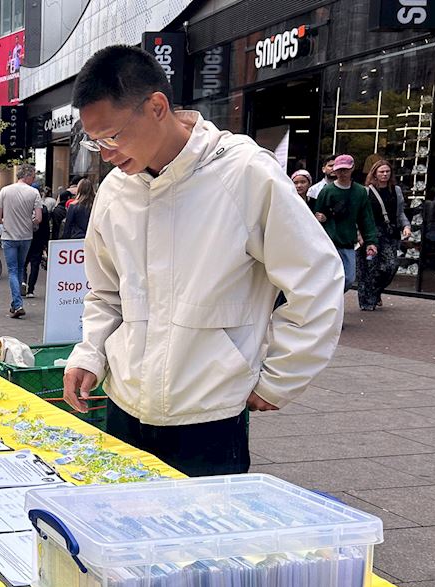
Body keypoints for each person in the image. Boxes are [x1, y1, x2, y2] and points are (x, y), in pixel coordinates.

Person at [61, 45, 343, 477]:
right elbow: (106, 292)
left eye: (112, 136)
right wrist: (90, 355)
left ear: (157, 107)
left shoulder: (244, 173)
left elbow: (316, 278)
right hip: (124, 405)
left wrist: (282, 377)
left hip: (209, 414)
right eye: (94, 141)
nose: (106, 153)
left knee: (203, 524)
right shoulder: (116, 191)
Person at [312, 154, 378, 293]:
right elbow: (316, 216)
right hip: (329, 242)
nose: (342, 173)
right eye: (339, 170)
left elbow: (366, 218)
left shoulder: (360, 192)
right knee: (328, 277)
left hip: (348, 242)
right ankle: (329, 300)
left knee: (348, 279)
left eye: (345, 169)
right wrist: (321, 218)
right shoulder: (327, 191)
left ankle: (330, 298)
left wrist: (371, 241)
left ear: (352, 168)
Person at [360, 159, 411, 311]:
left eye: (387, 171)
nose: (385, 174)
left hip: (390, 233)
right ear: (374, 173)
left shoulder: (396, 190)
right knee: (370, 268)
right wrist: (360, 234)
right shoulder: (366, 191)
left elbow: (400, 212)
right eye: (381, 171)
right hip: (372, 233)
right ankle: (367, 302)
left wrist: (406, 226)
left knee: (391, 266)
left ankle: (375, 292)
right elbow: (360, 214)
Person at [0, 164, 43, 318]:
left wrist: (7, 222)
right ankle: (15, 303)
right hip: (26, 236)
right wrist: (29, 222)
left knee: (13, 270)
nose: (34, 179)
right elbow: (38, 218)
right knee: (20, 268)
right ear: (27, 176)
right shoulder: (34, 193)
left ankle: (17, 304)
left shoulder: (5, 191)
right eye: (33, 176)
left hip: (9, 236)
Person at [24, 186, 53, 298]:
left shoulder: (24, 207)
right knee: (35, 265)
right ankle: (30, 290)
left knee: (23, 263)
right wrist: (46, 243)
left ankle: (23, 282)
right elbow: (46, 228)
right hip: (39, 240)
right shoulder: (44, 209)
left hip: (25, 238)